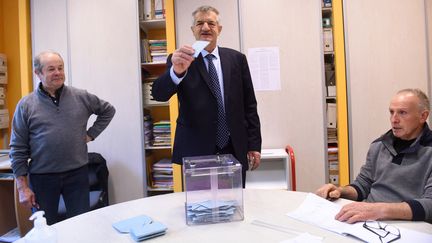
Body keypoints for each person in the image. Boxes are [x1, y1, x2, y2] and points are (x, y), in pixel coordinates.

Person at [151, 5, 262, 187]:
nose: (205, 27)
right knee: (200, 207)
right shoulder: (181, 59)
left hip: (233, 146)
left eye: (211, 23)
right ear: (193, 30)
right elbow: (159, 94)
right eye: (199, 23)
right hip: (197, 149)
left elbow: (249, 105)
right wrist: (176, 72)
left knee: (234, 204)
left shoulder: (237, 59)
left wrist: (254, 145)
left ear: (219, 29)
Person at [9, 50, 116, 225]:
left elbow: (108, 110)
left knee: (80, 225)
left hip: (77, 174)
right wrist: (22, 187)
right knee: (46, 227)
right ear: (38, 73)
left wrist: (91, 134)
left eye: (60, 68)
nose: (58, 72)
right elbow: (17, 148)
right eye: (51, 69)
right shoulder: (26, 105)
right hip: (42, 177)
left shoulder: (81, 96)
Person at [316, 88, 432, 224]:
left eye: (402, 113)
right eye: (391, 112)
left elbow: (430, 204)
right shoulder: (379, 145)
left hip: (408, 226)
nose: (394, 119)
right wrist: (340, 191)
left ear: (423, 116)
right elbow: (363, 184)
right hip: (369, 220)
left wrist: (379, 210)